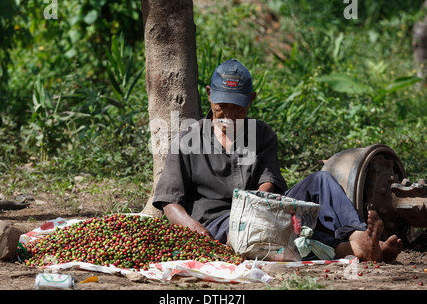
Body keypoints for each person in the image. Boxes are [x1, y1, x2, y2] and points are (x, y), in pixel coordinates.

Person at [152, 59, 402, 262]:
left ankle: (359, 235)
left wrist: (263, 208)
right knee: (273, 236)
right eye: (222, 106)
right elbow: (170, 202)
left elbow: (268, 183)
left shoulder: (261, 134)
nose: (228, 115)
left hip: (264, 207)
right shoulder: (188, 138)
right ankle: (354, 250)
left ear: (251, 100)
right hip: (222, 224)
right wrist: (195, 229)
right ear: (208, 95)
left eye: (237, 108)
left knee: (321, 180)